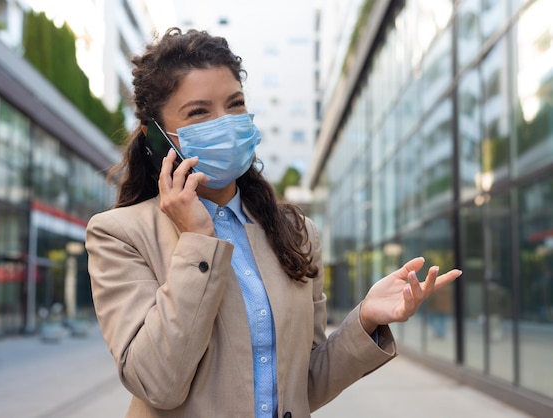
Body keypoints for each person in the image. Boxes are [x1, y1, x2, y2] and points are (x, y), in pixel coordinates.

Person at [85, 27, 462, 418]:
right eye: (199, 112)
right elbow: (157, 383)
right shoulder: (120, 235)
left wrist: (364, 319)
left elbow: (303, 385)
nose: (226, 122)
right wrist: (198, 240)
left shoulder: (295, 232)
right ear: (158, 137)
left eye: (235, 104)